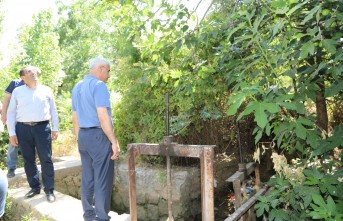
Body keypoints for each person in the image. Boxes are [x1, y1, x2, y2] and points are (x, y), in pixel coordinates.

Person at [71, 56, 120, 221]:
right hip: (98, 136)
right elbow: (102, 116)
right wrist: (113, 141)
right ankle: (101, 216)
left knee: (88, 177)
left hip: (83, 136)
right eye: (108, 71)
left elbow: (75, 116)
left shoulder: (77, 86)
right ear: (100, 68)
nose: (109, 75)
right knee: (102, 178)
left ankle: (89, 214)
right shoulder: (99, 86)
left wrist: (80, 138)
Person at [6, 65, 59, 203]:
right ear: (23, 78)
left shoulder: (46, 90)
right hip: (23, 129)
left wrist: (55, 128)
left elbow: (53, 110)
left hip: (42, 128)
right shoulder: (17, 91)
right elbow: (11, 113)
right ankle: (35, 187)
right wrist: (12, 133)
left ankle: (49, 190)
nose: (33, 73)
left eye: (33, 70)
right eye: (29, 71)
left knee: (46, 159)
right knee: (28, 159)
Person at [1, 77, 25, 178]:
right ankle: (11, 168)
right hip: (14, 118)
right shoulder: (15, 83)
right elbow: (6, 98)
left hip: (29, 119)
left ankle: (31, 167)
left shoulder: (35, 84)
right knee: (13, 143)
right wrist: (4, 114)